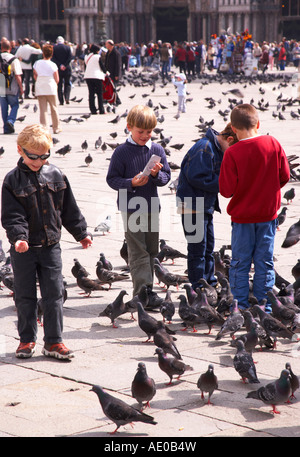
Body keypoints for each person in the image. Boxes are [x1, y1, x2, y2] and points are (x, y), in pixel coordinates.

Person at [1, 124, 92, 360]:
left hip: (51, 246)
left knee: (54, 294)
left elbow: (69, 208)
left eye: (44, 156)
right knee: (24, 295)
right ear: (20, 150)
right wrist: (19, 238)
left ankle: (53, 342)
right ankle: (26, 340)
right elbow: (12, 216)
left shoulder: (56, 174)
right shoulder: (12, 180)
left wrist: (81, 233)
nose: (38, 161)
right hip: (24, 249)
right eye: (33, 156)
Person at [219, 104, 290, 311]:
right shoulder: (273, 143)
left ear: (233, 128)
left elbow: (226, 190)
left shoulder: (232, 153)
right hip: (268, 215)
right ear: (258, 124)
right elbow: (284, 176)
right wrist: (268, 190)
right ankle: (265, 306)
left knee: (240, 263)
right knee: (264, 262)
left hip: (242, 218)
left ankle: (240, 307)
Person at [106, 105, 171, 296]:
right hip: (131, 207)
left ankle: (147, 290)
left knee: (152, 249)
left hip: (151, 206)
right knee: (138, 251)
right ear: (129, 127)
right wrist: (131, 182)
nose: (145, 135)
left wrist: (156, 175)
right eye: (140, 131)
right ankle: (142, 293)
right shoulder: (121, 152)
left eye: (149, 131)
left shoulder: (157, 149)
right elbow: (112, 179)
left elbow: (166, 178)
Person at [176, 124, 238, 291]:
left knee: (208, 247)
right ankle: (199, 288)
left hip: (204, 206)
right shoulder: (204, 148)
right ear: (229, 139)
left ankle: (209, 283)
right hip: (191, 207)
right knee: (197, 249)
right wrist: (225, 182)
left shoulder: (215, 148)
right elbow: (198, 178)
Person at [33, 44, 61, 134]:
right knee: (54, 108)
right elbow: (57, 79)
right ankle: (56, 128)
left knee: (43, 109)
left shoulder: (37, 63)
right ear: (51, 54)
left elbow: (35, 75)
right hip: (50, 86)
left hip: (40, 87)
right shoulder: (53, 64)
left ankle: (44, 128)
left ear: (43, 53)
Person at [0, 39, 23, 134]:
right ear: (10, 48)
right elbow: (18, 75)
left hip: (1, 87)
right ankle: (11, 121)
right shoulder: (14, 59)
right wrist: (21, 88)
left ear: (1, 48)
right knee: (15, 105)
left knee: (4, 109)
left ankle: (6, 128)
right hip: (12, 88)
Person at [84, 44, 106, 115]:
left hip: (88, 76)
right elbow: (102, 66)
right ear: (97, 50)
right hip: (97, 76)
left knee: (91, 93)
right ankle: (101, 110)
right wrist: (106, 72)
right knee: (99, 93)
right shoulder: (98, 57)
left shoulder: (87, 57)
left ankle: (93, 110)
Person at [52, 36, 72, 105]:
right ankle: (67, 97)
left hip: (58, 69)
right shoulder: (68, 47)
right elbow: (70, 58)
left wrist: (60, 65)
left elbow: (53, 59)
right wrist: (65, 65)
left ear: (57, 41)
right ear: (63, 41)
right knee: (67, 83)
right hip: (67, 69)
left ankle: (61, 101)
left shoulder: (54, 48)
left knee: (59, 85)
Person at [104, 39, 122, 105]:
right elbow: (106, 63)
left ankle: (117, 100)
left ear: (110, 45)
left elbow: (118, 65)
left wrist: (117, 75)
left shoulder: (116, 53)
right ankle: (114, 100)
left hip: (114, 73)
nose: (105, 45)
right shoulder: (108, 53)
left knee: (113, 88)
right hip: (108, 73)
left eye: (106, 44)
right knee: (110, 88)